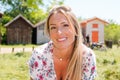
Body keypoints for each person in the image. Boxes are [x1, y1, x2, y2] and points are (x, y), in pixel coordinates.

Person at [28, 5, 96, 80]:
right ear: (49, 32)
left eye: (65, 25)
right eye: (53, 27)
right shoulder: (38, 56)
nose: (59, 32)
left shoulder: (87, 57)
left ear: (76, 29)